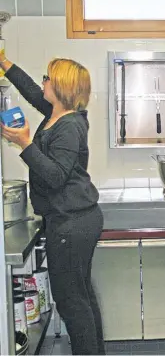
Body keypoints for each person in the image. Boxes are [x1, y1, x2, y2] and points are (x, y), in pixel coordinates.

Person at [0, 51, 105, 355]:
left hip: (72, 223)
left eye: (48, 77)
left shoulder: (69, 125)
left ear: (61, 88)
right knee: (81, 296)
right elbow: (31, 90)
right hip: (73, 219)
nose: (43, 81)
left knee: (71, 301)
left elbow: (57, 176)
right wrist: (5, 64)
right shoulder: (56, 112)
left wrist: (24, 144)